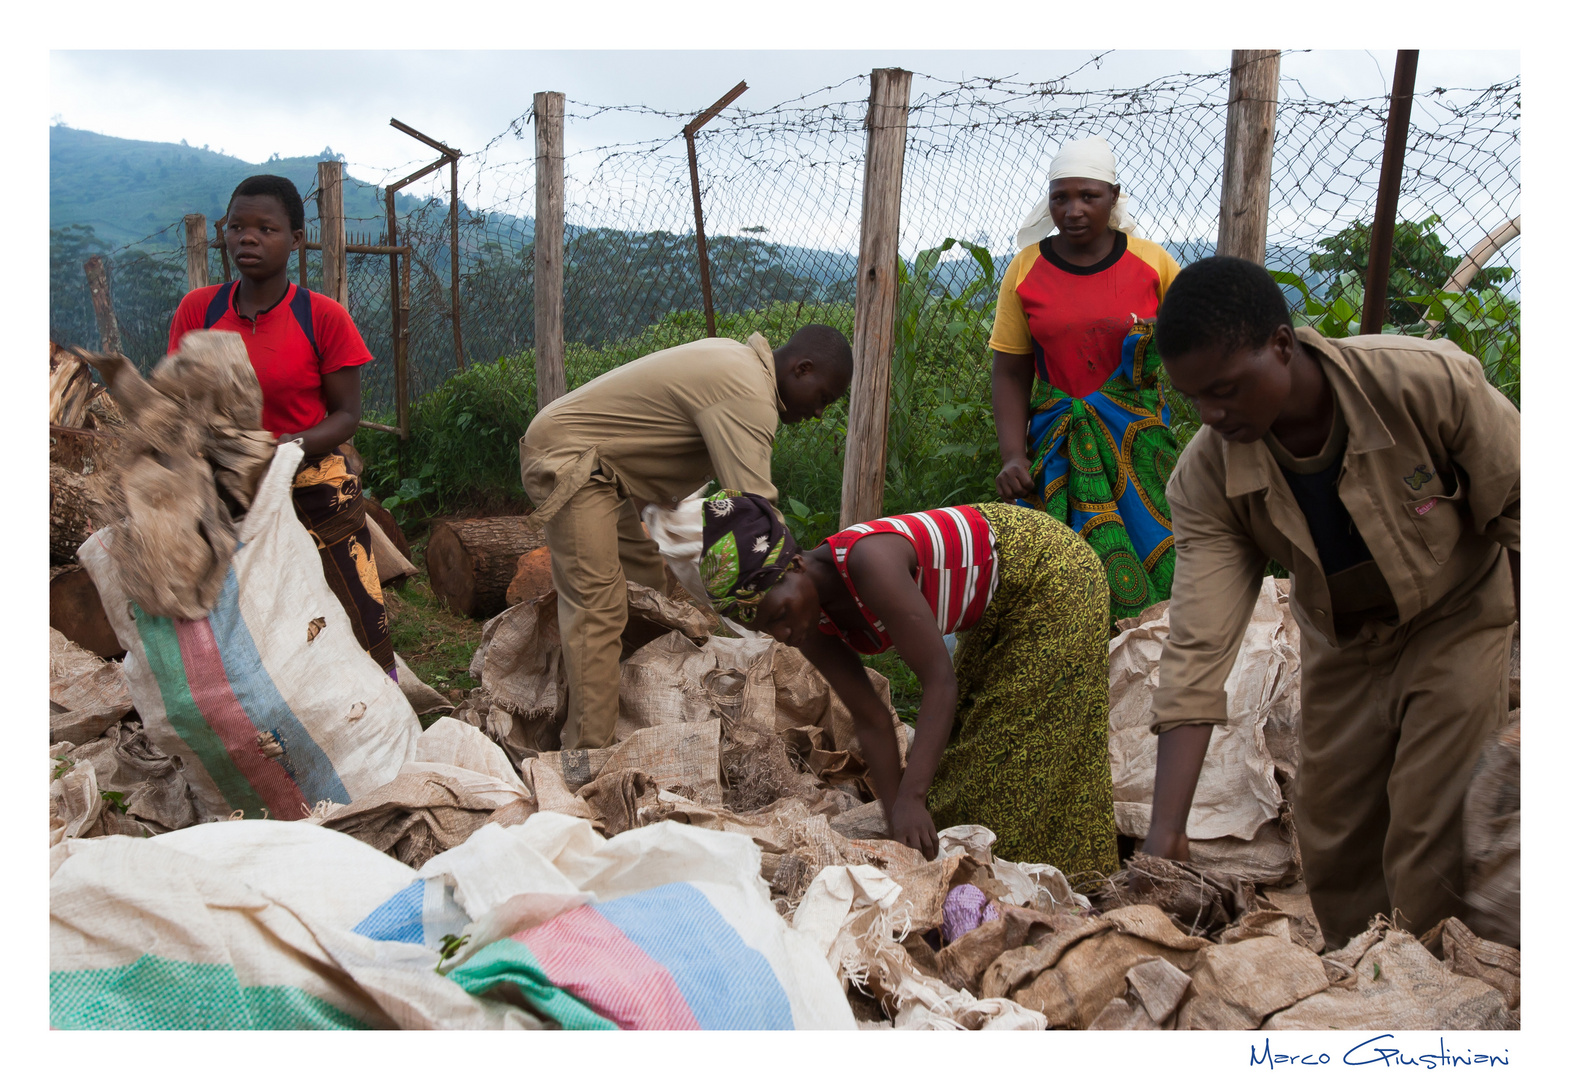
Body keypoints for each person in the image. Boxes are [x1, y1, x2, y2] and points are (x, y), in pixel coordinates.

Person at [1141, 256, 1520, 949]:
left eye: (1226, 389)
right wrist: (1167, 832)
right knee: (1334, 837)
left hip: (1457, 616)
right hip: (1343, 641)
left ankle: (1433, 994)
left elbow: (1527, 507)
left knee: (1425, 829)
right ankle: (1362, 976)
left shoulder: (1424, 384)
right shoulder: (1207, 477)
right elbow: (1199, 644)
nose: (1214, 415)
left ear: (1282, 346)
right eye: (1196, 399)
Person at [699, 491, 1117, 877]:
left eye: (779, 614)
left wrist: (913, 800)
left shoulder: (869, 562)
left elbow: (940, 683)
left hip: (1052, 575)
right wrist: (897, 811)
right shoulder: (808, 623)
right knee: (960, 762)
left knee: (1013, 760)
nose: (783, 634)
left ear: (795, 565)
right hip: (993, 608)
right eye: (766, 628)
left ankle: (1073, 879)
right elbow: (870, 716)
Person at [520, 326, 853, 752]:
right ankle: (588, 754)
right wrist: (815, 586)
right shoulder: (747, 391)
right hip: (572, 460)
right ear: (802, 369)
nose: (819, 413)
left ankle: (630, 694)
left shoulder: (739, 364)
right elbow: (757, 515)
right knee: (597, 607)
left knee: (644, 583)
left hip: (602, 469)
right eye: (823, 398)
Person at [168, 174, 393, 676]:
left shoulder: (324, 318)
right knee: (223, 607)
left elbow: (346, 416)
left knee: (353, 594)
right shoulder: (199, 311)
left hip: (306, 469)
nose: (247, 238)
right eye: (237, 227)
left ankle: (378, 689)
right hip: (222, 477)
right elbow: (179, 404)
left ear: (294, 240)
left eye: (265, 229)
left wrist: (279, 448)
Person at [990, 135, 1184, 625]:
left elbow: (1194, 349)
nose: (1073, 209)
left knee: (1160, 553)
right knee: (1056, 570)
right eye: (1061, 197)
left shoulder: (1153, 265)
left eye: (1088, 196)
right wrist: (1014, 454)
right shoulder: (1026, 270)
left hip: (1139, 444)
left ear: (1114, 196)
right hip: (1056, 444)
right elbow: (1011, 370)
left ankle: (1153, 661)